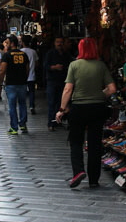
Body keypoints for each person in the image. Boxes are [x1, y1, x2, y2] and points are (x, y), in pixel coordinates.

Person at [56, 38, 116, 188]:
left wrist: (61, 110)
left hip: (79, 108)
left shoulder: (74, 65)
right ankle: (94, 179)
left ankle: (78, 171)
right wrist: (100, 94)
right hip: (97, 108)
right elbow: (112, 89)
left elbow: (68, 89)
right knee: (95, 144)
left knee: (76, 141)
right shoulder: (101, 65)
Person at [0, 34, 29, 135]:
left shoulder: (7, 55)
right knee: (23, 104)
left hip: (11, 83)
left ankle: (14, 127)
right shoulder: (23, 54)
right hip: (22, 83)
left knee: (12, 106)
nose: (5, 45)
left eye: (7, 43)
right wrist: (25, 78)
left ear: (12, 43)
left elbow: (2, 70)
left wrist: (0, 83)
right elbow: (27, 69)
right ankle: (23, 124)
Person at [43, 36, 71, 129]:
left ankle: (58, 120)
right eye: (57, 42)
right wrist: (54, 67)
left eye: (61, 42)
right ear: (54, 43)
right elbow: (45, 66)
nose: (59, 44)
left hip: (63, 81)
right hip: (52, 81)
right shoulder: (50, 53)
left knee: (60, 102)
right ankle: (51, 122)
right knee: (51, 102)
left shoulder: (66, 54)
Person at [21, 34, 39, 114]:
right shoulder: (33, 52)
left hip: (22, 77)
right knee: (32, 92)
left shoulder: (20, 52)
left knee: (22, 92)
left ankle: (23, 106)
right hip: (31, 75)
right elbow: (37, 63)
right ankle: (31, 106)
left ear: (22, 42)